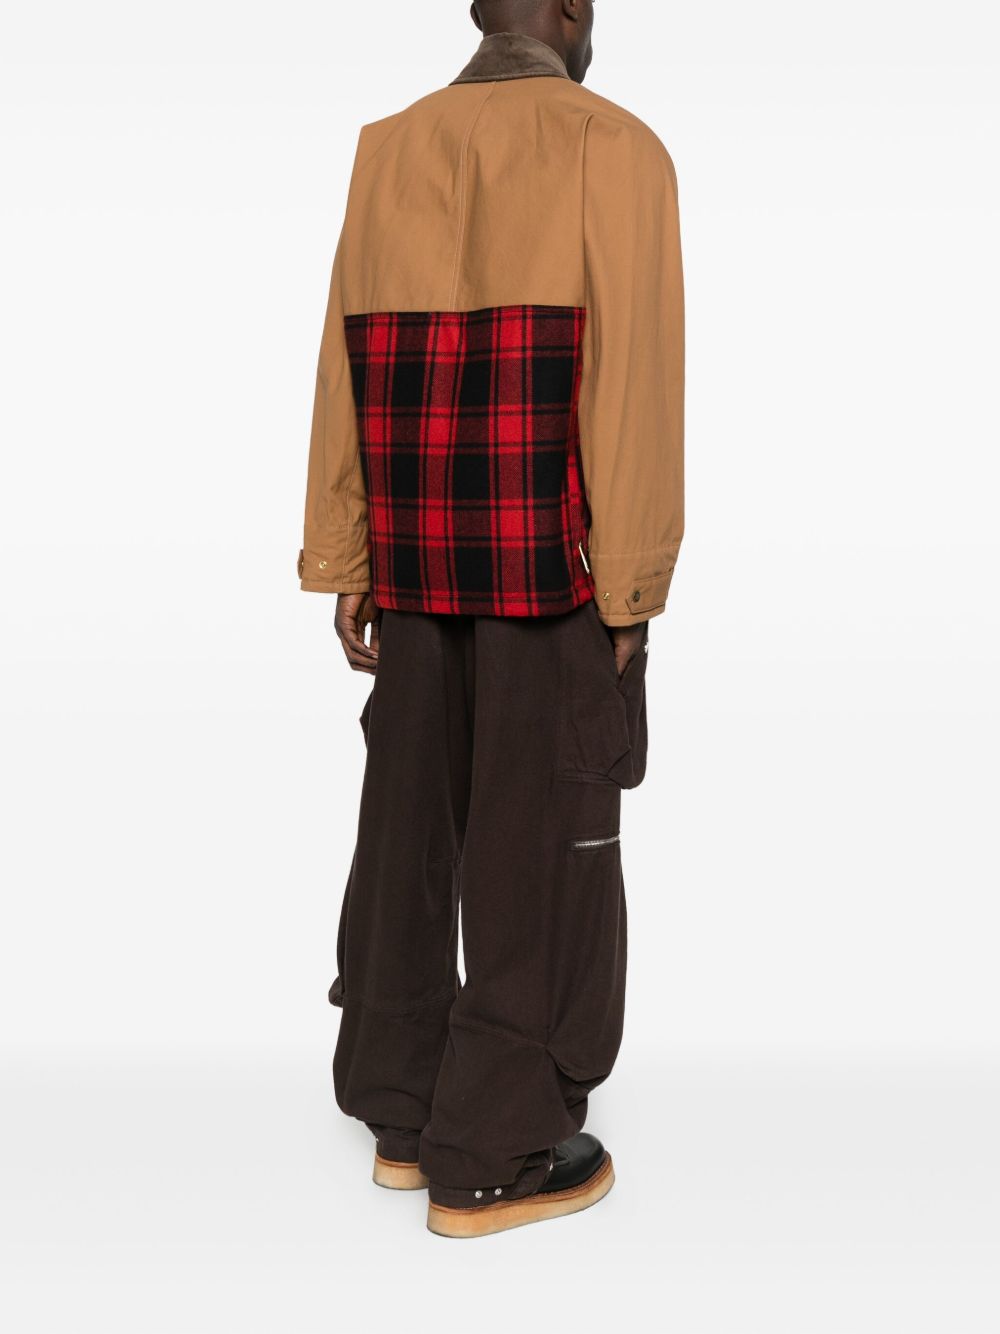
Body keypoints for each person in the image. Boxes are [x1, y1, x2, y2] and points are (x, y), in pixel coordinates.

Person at [298, 0, 684, 1238]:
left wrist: (347, 553)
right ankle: (495, 1149)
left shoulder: (387, 147)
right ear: (570, 11)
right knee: (542, 844)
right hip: (544, 566)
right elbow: (631, 379)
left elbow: (342, 360)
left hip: (414, 562)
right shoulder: (614, 146)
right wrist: (630, 589)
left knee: (407, 827)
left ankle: (403, 1112)